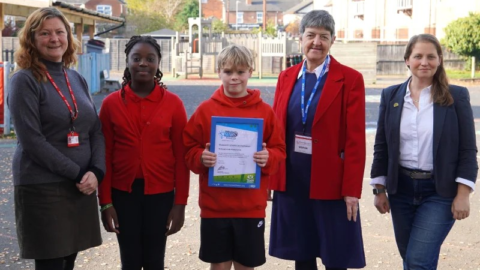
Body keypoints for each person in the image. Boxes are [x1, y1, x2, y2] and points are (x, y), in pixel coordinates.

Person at [8, 7, 105, 270]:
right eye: (45, 33)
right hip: (43, 187)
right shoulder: (24, 81)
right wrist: (78, 174)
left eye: (60, 32)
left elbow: (94, 130)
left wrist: (96, 171)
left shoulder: (76, 78)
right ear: (31, 39)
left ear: (68, 37)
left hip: (80, 185)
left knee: (69, 260)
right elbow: (32, 141)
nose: (54, 39)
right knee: (51, 262)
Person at [268, 10, 366, 270]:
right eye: (311, 35)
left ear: (332, 41)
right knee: (302, 253)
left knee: (336, 257)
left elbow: (356, 141)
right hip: (292, 180)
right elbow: (275, 131)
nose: (316, 42)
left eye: (324, 36)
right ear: (300, 38)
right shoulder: (286, 77)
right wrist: (270, 175)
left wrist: (351, 191)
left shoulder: (350, 79)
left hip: (331, 183)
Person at [370, 34, 478, 269]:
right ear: (407, 60)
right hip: (401, 190)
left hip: (439, 192)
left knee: (418, 260)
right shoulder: (391, 95)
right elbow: (382, 146)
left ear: (440, 60)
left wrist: (463, 194)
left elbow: (468, 150)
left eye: (431, 56)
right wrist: (379, 189)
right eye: (418, 56)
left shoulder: (456, 96)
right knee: (411, 257)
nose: (424, 62)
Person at [183, 44, 286, 270]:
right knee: (218, 265)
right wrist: (201, 157)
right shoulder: (205, 110)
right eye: (228, 71)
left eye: (240, 72)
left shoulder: (265, 112)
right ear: (219, 71)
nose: (234, 78)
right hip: (214, 206)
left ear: (250, 71)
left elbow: (280, 151)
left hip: (250, 206)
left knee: (245, 265)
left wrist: (267, 157)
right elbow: (188, 149)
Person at [98, 36, 190, 269]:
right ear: (127, 61)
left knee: (154, 260)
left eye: (150, 59)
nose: (143, 63)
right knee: (129, 260)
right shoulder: (110, 104)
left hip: (160, 196)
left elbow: (181, 158)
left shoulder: (173, 104)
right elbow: (104, 156)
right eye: (136, 58)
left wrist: (180, 204)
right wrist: (106, 202)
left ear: (158, 63)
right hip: (123, 195)